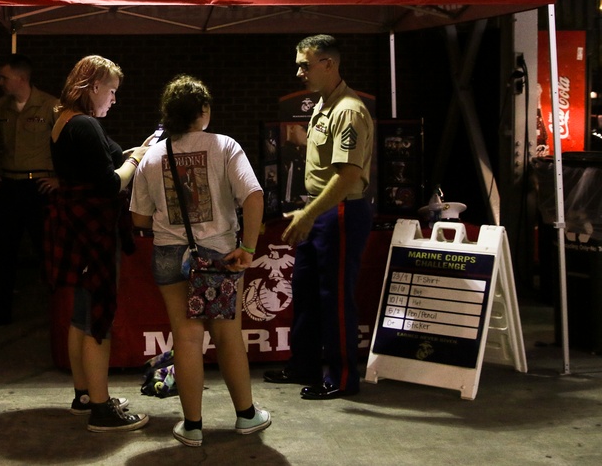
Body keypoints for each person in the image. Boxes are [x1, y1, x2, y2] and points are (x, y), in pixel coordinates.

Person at [130, 74, 271, 448]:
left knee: (186, 337)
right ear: (203, 111)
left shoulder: (153, 156)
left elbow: (139, 219)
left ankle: (192, 426)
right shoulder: (224, 146)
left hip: (168, 254)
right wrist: (250, 247)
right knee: (227, 335)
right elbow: (254, 196)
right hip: (220, 255)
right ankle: (245, 416)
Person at [263, 34, 373, 400]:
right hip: (320, 208)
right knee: (306, 292)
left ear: (329, 63)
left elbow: (348, 176)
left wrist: (310, 214)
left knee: (335, 295)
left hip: (340, 211)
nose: (299, 72)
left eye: (305, 64)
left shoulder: (348, 110)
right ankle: (304, 366)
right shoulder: (323, 106)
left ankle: (341, 379)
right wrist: (309, 210)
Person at [47, 55, 150, 432]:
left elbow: (95, 167)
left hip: (76, 229)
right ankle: (102, 409)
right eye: (111, 90)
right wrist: (136, 161)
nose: (114, 98)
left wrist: (129, 154)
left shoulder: (64, 122)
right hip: (93, 232)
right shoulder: (85, 124)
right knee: (96, 321)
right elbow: (108, 183)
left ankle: (85, 394)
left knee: (80, 317)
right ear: (93, 87)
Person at [0, 54, 59, 327]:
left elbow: (68, 145)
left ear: (21, 78)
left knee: (47, 251)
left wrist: (59, 179)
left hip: (38, 187)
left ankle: (59, 312)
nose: (0, 82)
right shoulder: (0, 108)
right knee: (3, 252)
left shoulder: (51, 106)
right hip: (9, 186)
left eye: (4, 77)